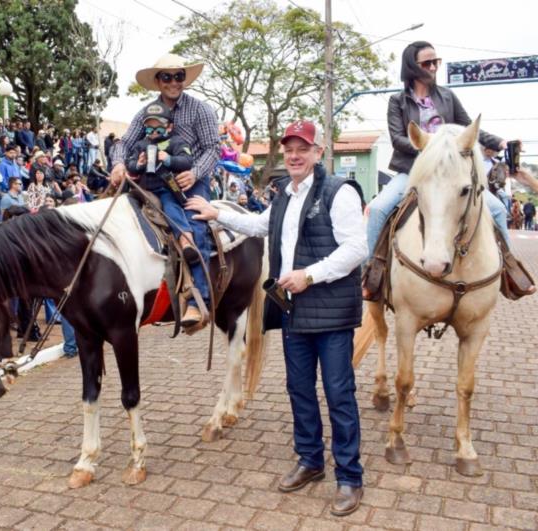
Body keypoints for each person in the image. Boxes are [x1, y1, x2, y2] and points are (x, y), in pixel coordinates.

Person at [186, 120, 367, 516]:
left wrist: (309, 274)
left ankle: (350, 477)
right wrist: (217, 212)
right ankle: (310, 460)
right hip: (293, 310)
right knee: (298, 389)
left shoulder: (340, 193)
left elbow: (357, 248)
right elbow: (258, 225)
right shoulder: (285, 193)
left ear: (319, 152)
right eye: (289, 149)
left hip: (331, 310)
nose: (295, 155)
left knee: (338, 394)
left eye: (303, 148)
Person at [367, 41, 510, 257]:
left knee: (498, 209)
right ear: (411, 67)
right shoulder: (397, 101)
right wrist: (434, 148)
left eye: (436, 62)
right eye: (427, 63)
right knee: (378, 210)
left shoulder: (448, 96)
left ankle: (509, 268)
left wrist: (499, 142)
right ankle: (371, 272)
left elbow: (468, 127)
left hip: (450, 172)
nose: (433, 67)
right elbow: (397, 139)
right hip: (413, 171)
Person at [111, 53, 218, 331]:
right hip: (153, 181)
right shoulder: (145, 113)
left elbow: (212, 148)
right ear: (158, 81)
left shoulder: (200, 109)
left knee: (198, 224)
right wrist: (120, 163)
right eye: (167, 77)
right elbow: (124, 141)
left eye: (179, 76)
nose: (174, 82)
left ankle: (198, 299)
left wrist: (194, 172)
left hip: (191, 179)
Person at [125, 100, 200, 270]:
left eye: (157, 127)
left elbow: (187, 160)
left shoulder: (176, 142)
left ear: (169, 127)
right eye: (148, 128)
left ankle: (187, 242)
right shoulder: (141, 144)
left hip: (165, 188)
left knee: (172, 209)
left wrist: (168, 159)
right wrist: (138, 163)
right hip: (142, 189)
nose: (152, 132)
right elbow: (130, 163)